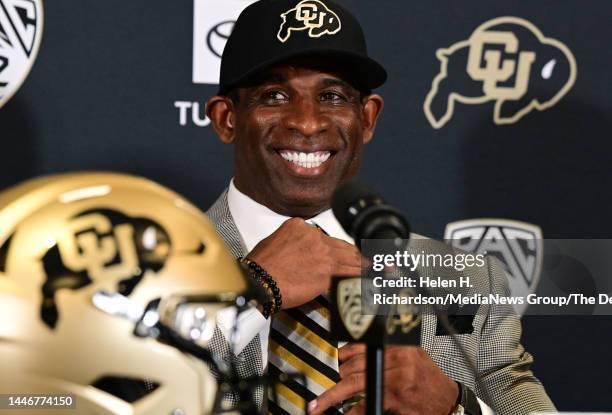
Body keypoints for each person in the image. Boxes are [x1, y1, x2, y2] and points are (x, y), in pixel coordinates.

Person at [205, 1, 556, 414]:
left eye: (332, 96)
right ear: (227, 119)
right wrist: (250, 292)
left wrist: (455, 407)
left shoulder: (464, 280)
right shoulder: (138, 268)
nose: (307, 122)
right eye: (275, 95)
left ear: (367, 119)